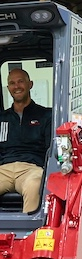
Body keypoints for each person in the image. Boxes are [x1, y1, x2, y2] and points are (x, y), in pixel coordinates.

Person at [0, 68, 53, 213]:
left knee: (34, 185)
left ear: (30, 84)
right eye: (12, 83)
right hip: (4, 169)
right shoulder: (2, 118)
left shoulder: (46, 115)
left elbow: (50, 149)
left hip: (31, 169)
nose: (16, 86)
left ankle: (30, 231)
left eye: (20, 81)